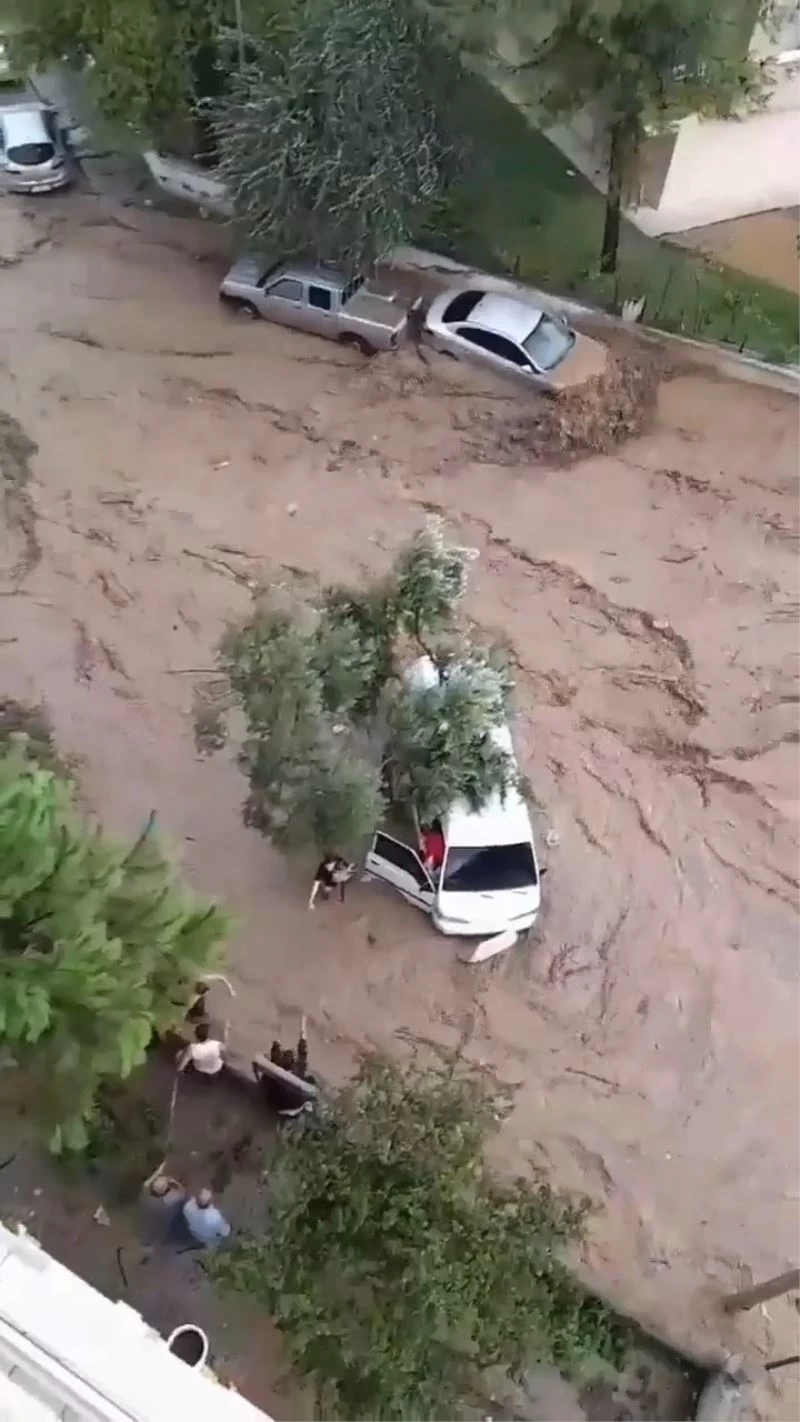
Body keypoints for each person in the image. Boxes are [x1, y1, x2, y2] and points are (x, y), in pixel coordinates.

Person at [140, 1169, 186, 1245]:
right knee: (165, 1228)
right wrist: (176, 1183)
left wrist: (157, 1175)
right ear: (166, 1190)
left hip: (151, 1215)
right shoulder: (171, 1197)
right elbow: (183, 1193)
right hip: (167, 1217)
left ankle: (149, 1242)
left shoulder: (146, 1193)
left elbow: (147, 1184)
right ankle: (164, 1240)